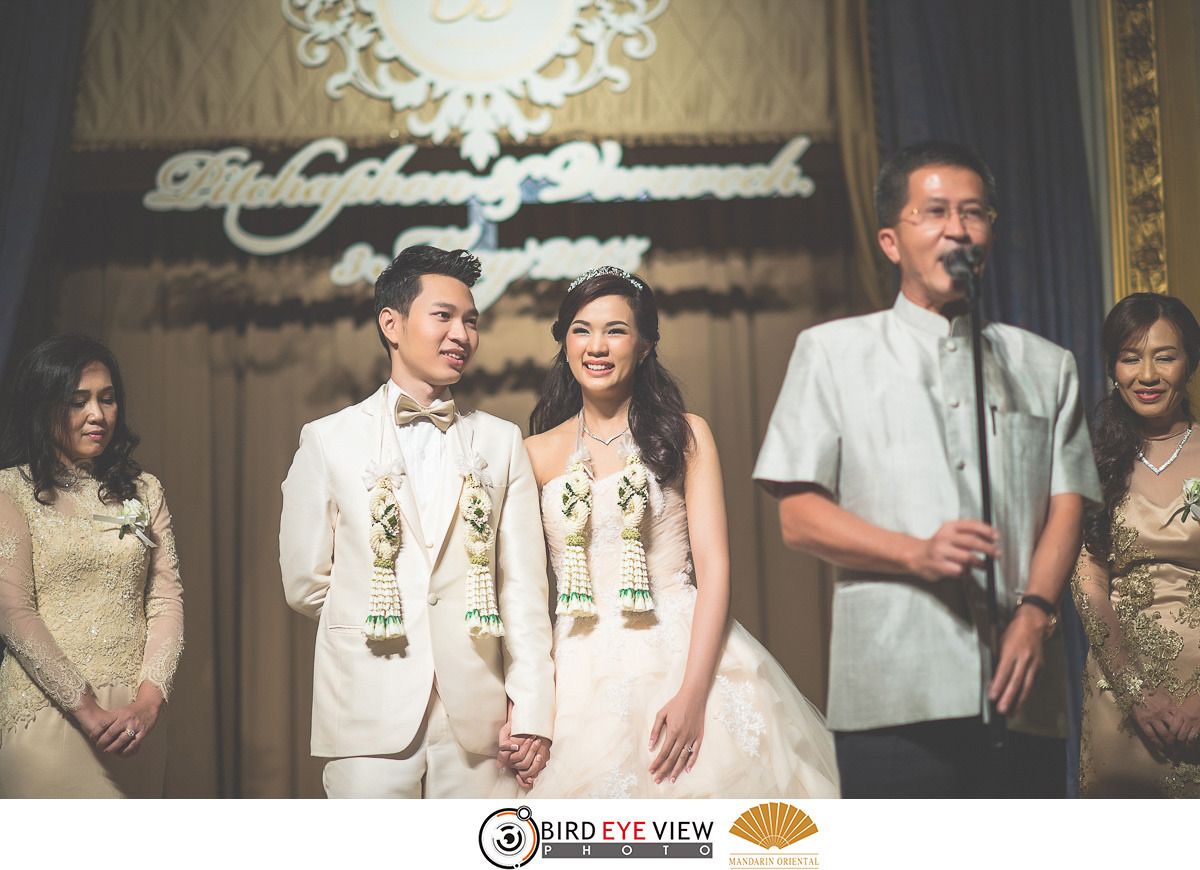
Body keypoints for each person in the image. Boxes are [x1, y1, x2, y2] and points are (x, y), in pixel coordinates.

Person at [753, 141, 1101, 797]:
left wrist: (1034, 614)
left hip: (1022, 684)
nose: (957, 229)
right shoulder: (832, 353)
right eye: (935, 212)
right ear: (891, 241)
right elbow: (799, 519)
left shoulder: (1045, 364)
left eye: (973, 213)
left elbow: (1067, 501)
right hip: (892, 684)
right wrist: (915, 553)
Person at [521, 265, 839, 798]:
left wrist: (693, 697)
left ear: (644, 345)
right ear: (564, 342)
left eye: (616, 330)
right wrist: (527, 706)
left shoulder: (686, 435)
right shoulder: (534, 453)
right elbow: (523, 596)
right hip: (577, 668)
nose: (597, 346)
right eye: (581, 329)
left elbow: (715, 570)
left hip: (681, 652)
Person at [279, 245, 555, 798]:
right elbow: (305, 583)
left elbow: (523, 589)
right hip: (365, 709)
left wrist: (531, 712)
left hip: (480, 720)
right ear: (392, 323)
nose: (462, 334)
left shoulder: (500, 442)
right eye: (444, 316)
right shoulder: (328, 439)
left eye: (471, 321)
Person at [0, 335, 184, 798]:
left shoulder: (145, 491)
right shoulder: (11, 491)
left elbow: (166, 601)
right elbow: (13, 612)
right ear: (44, 407)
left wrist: (149, 701)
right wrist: (85, 709)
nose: (97, 415)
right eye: (77, 401)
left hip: (135, 730)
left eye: (107, 398)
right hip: (48, 719)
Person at [1071, 293, 1200, 797]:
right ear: (1112, 368)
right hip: (1120, 693)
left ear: (1189, 361)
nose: (1147, 375)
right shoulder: (1091, 460)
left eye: (1164, 356)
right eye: (1130, 358)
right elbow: (1088, 582)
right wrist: (1136, 692)